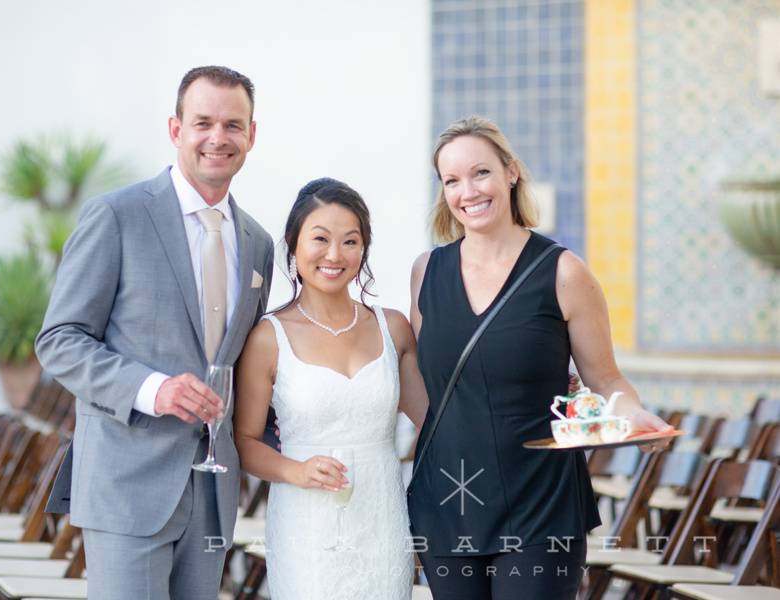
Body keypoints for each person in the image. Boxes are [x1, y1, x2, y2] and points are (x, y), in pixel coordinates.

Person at [406, 116, 673, 599]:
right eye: (452, 180)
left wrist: (633, 415)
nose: (468, 191)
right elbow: (423, 387)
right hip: (447, 499)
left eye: (481, 172)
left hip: (539, 504)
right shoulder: (426, 272)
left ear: (511, 172)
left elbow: (607, 379)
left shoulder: (564, 272)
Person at [35, 66, 274, 600]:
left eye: (233, 125)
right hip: (127, 484)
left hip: (213, 493)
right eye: (203, 122)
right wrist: (153, 389)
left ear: (251, 135)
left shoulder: (258, 242)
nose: (218, 137)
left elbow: (249, 364)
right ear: (175, 129)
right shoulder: (116, 216)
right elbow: (60, 339)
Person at [234, 178, 429, 600]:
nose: (335, 255)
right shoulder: (269, 336)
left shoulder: (392, 328)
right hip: (306, 525)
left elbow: (437, 417)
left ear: (364, 249)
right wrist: (296, 470)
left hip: (382, 523)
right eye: (320, 239)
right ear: (293, 244)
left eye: (350, 241)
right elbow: (245, 441)